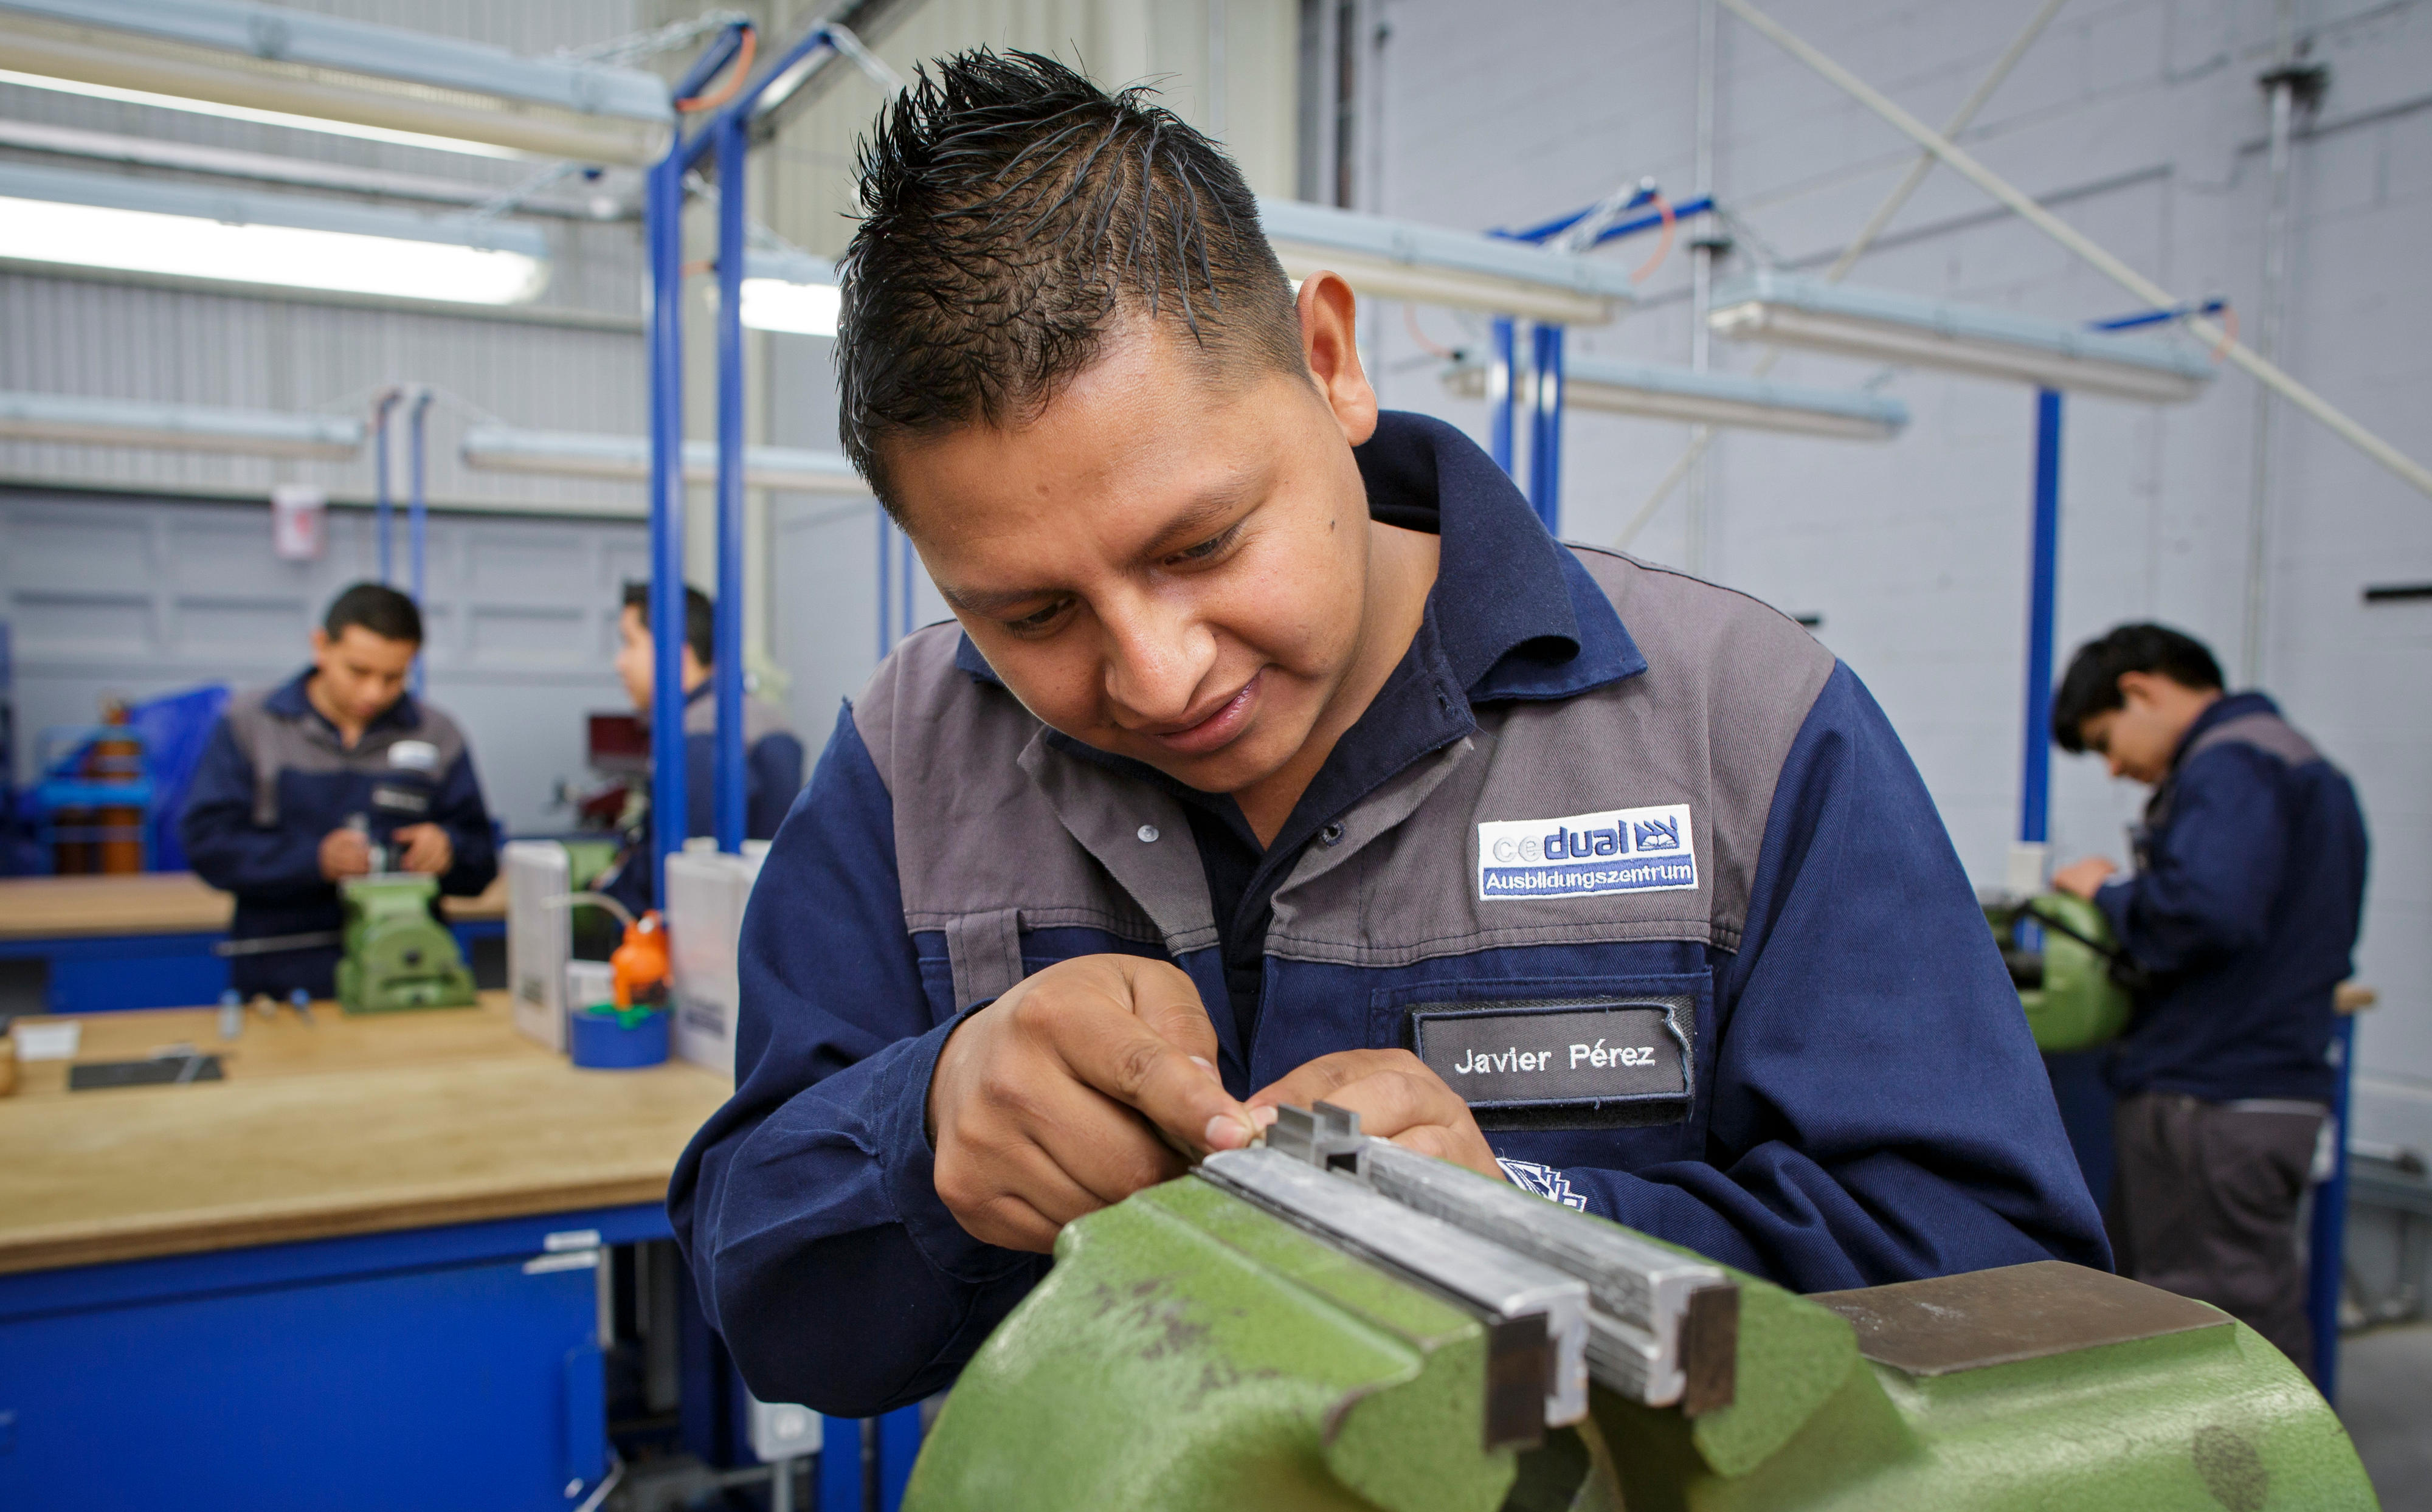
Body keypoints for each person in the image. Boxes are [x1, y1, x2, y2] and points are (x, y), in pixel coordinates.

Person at [669, 52, 2108, 1417]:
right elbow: (759, 1287)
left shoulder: (1740, 728)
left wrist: (1538, 1222)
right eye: (1033, 611)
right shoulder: (908, 768)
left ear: (1329, 359)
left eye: (1202, 543)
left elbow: (1997, 1292)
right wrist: (922, 1132)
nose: (1157, 675)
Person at [2049, 624, 2368, 1365]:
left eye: (2105, 742)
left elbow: (2207, 911)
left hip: (2211, 1099)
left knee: (2214, 1330)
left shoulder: (2231, 764)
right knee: (2231, 1309)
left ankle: (2270, 1483)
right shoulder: (2296, 761)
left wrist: (2109, 891)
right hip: (2261, 1087)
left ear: (2141, 690)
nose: (2116, 768)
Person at [182, 582, 498, 999]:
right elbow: (209, 845)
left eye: (394, 677)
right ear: (321, 646)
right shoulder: (252, 725)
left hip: (405, 980)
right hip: (281, 979)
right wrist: (313, 859)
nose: (374, 692)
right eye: (358, 671)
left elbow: (482, 858)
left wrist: (448, 848)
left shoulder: (437, 735)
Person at [598, 581, 805, 913]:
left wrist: (605, 897)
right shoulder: (764, 717)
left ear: (674, 651)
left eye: (630, 643)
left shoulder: (699, 735)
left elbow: (680, 870)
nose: (620, 663)